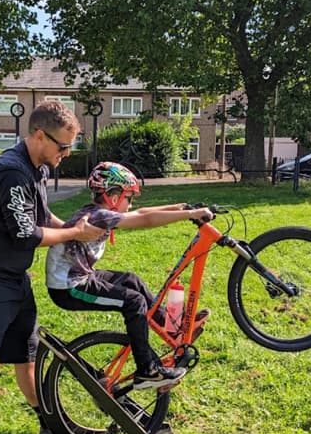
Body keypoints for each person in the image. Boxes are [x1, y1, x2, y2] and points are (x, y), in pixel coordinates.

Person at [0, 101, 105, 434]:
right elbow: (27, 234)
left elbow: (41, 217)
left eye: (71, 147)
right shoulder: (12, 173)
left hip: (14, 281)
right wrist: (73, 234)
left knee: (26, 356)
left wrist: (74, 227)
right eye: (62, 147)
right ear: (38, 135)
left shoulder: (36, 168)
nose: (66, 155)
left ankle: (49, 427)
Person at [45, 161, 211, 390]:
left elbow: (142, 212)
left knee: (131, 280)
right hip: (68, 288)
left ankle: (170, 326)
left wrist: (181, 207)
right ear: (114, 198)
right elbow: (145, 219)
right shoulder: (100, 216)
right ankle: (147, 370)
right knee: (133, 301)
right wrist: (190, 214)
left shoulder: (96, 211)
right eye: (128, 198)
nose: (131, 204)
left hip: (80, 276)